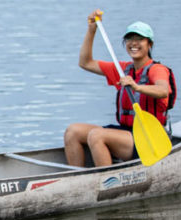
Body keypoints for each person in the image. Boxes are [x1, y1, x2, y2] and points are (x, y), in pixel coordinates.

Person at [63, 9, 172, 167]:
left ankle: (108, 182)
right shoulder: (123, 70)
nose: (133, 43)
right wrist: (91, 30)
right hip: (125, 131)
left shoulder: (157, 69)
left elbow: (163, 91)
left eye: (139, 39)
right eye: (129, 39)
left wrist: (137, 87)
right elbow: (85, 62)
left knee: (96, 136)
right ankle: (77, 179)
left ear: (149, 44)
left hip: (149, 137)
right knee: (72, 131)